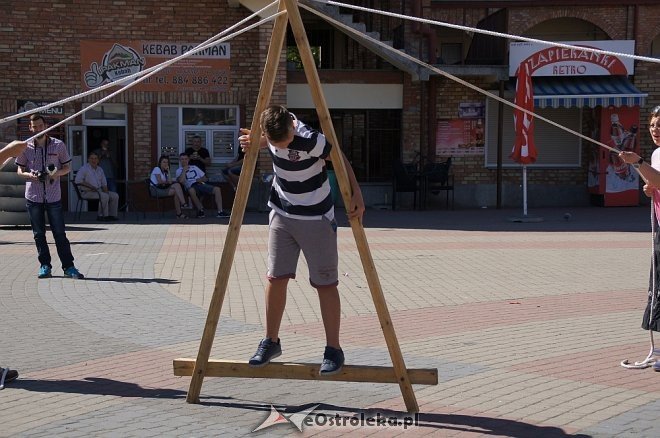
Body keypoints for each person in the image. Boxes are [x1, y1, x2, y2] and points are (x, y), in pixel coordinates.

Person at [239, 105, 364, 376]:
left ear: (292, 128)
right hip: (282, 214)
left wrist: (356, 194)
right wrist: (253, 142)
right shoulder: (273, 133)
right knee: (275, 277)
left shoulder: (311, 140)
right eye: (274, 143)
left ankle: (333, 349)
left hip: (316, 218)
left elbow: (340, 160)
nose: (280, 147)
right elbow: (265, 140)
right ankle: (271, 341)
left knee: (325, 283)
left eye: (284, 142)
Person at [15, 114, 84, 279]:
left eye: (40, 126)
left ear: (46, 126)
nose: (38, 129)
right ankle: (45, 265)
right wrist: (31, 175)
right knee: (39, 234)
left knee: (60, 233)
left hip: (53, 196)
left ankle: (69, 267)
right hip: (33, 196)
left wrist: (54, 174)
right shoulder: (25, 147)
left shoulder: (58, 145)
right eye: (35, 126)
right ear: (30, 128)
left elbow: (67, 167)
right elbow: (19, 170)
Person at [619, 105, 660, 371]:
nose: (656, 130)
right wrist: (650, 186)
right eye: (653, 125)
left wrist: (638, 162)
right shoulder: (657, 153)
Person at [175, 152, 230, 218]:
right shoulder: (178, 170)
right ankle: (200, 210)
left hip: (200, 184)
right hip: (190, 187)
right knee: (191, 190)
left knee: (217, 189)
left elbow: (205, 178)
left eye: (185, 159)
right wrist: (184, 171)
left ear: (188, 160)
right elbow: (181, 181)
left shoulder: (194, 167)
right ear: (180, 160)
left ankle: (220, 212)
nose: (184, 161)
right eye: (182, 159)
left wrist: (200, 179)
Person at [75, 151, 120, 221]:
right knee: (104, 196)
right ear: (88, 159)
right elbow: (78, 181)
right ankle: (102, 216)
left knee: (114, 195)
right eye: (92, 158)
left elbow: (104, 183)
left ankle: (112, 215)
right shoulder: (84, 169)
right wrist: (90, 186)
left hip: (98, 191)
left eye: (96, 158)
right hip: (86, 192)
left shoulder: (100, 169)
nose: (94, 160)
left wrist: (106, 192)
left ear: (98, 160)